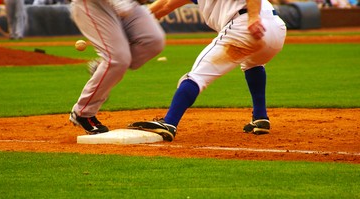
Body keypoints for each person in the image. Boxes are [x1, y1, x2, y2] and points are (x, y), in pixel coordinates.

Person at [128, 0, 287, 141]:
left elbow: (164, 6)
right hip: (276, 30)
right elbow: (165, 5)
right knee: (253, 63)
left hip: (247, 24)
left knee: (197, 77)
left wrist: (253, 17)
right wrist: (135, 22)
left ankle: (169, 122)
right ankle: (260, 117)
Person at [69, 0, 165, 134]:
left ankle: (103, 70)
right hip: (94, 4)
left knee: (154, 41)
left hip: (130, 4)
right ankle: (83, 112)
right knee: (117, 60)